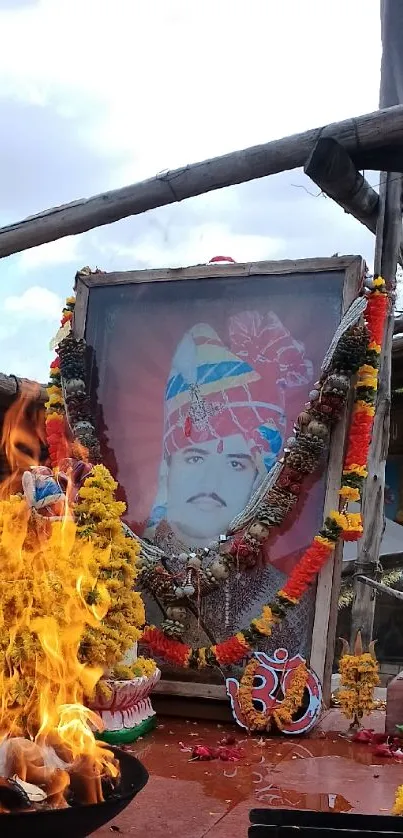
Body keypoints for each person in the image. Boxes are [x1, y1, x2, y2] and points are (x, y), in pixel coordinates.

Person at [143, 306, 316, 656]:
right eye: (195, 458)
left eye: (236, 463)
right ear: (167, 466)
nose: (212, 478)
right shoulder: (118, 579)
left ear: (258, 482)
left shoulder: (280, 603)